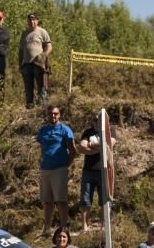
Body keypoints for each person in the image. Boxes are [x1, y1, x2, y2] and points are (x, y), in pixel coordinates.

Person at [36, 105, 76, 235]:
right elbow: (42, 147)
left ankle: (63, 228)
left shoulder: (65, 130)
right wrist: (41, 160)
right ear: (47, 115)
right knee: (47, 201)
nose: (53, 116)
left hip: (59, 168)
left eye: (55, 114)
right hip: (45, 169)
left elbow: (72, 149)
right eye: (50, 114)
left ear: (59, 115)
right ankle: (46, 229)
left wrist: (66, 165)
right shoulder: (43, 130)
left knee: (61, 200)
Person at [77, 112, 116, 232]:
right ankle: (84, 226)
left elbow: (110, 143)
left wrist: (92, 145)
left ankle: (104, 226)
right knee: (85, 200)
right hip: (88, 171)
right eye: (94, 120)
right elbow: (82, 147)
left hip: (103, 171)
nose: (96, 122)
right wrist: (100, 148)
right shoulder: (87, 132)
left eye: (99, 120)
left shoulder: (110, 131)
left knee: (104, 200)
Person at [19, 12, 53, 108]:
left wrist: (43, 55)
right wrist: (19, 65)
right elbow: (21, 50)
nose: (32, 21)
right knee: (28, 89)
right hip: (26, 64)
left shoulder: (42, 32)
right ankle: (29, 108)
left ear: (37, 21)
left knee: (41, 88)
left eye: (34, 19)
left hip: (38, 64)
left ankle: (42, 108)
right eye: (30, 20)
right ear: (27, 21)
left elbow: (49, 46)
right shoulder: (24, 33)